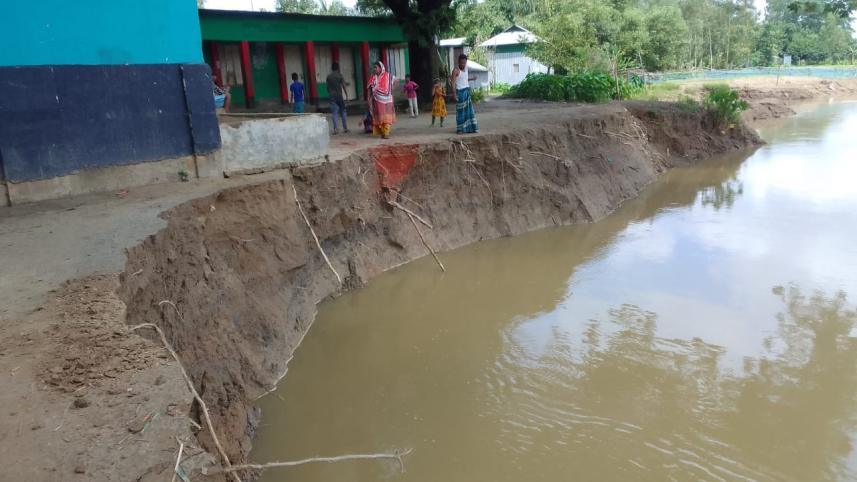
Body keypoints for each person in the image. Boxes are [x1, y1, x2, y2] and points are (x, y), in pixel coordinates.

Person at [450, 54, 478, 134]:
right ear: (458, 61)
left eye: (464, 63)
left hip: (467, 92)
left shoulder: (466, 69)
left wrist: (472, 78)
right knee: (461, 111)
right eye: (461, 63)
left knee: (469, 111)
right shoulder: (455, 70)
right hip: (460, 93)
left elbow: (464, 79)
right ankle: (460, 129)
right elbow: (453, 82)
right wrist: (454, 94)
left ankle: (472, 128)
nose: (463, 64)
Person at [368, 61, 396, 139]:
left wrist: (391, 89)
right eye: (374, 67)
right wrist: (368, 98)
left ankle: (386, 133)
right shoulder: (373, 77)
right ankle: (383, 132)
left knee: (387, 117)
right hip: (378, 100)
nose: (374, 69)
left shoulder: (389, 76)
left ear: (381, 68)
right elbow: (369, 88)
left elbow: (395, 81)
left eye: (376, 67)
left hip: (388, 100)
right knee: (380, 117)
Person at [326, 62, 349, 134]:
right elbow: (344, 86)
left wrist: (330, 92)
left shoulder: (328, 77)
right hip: (339, 96)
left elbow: (327, 88)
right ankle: (345, 128)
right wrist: (347, 95)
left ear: (332, 68)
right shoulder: (340, 76)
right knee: (343, 111)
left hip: (332, 96)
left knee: (334, 113)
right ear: (338, 68)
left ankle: (336, 129)